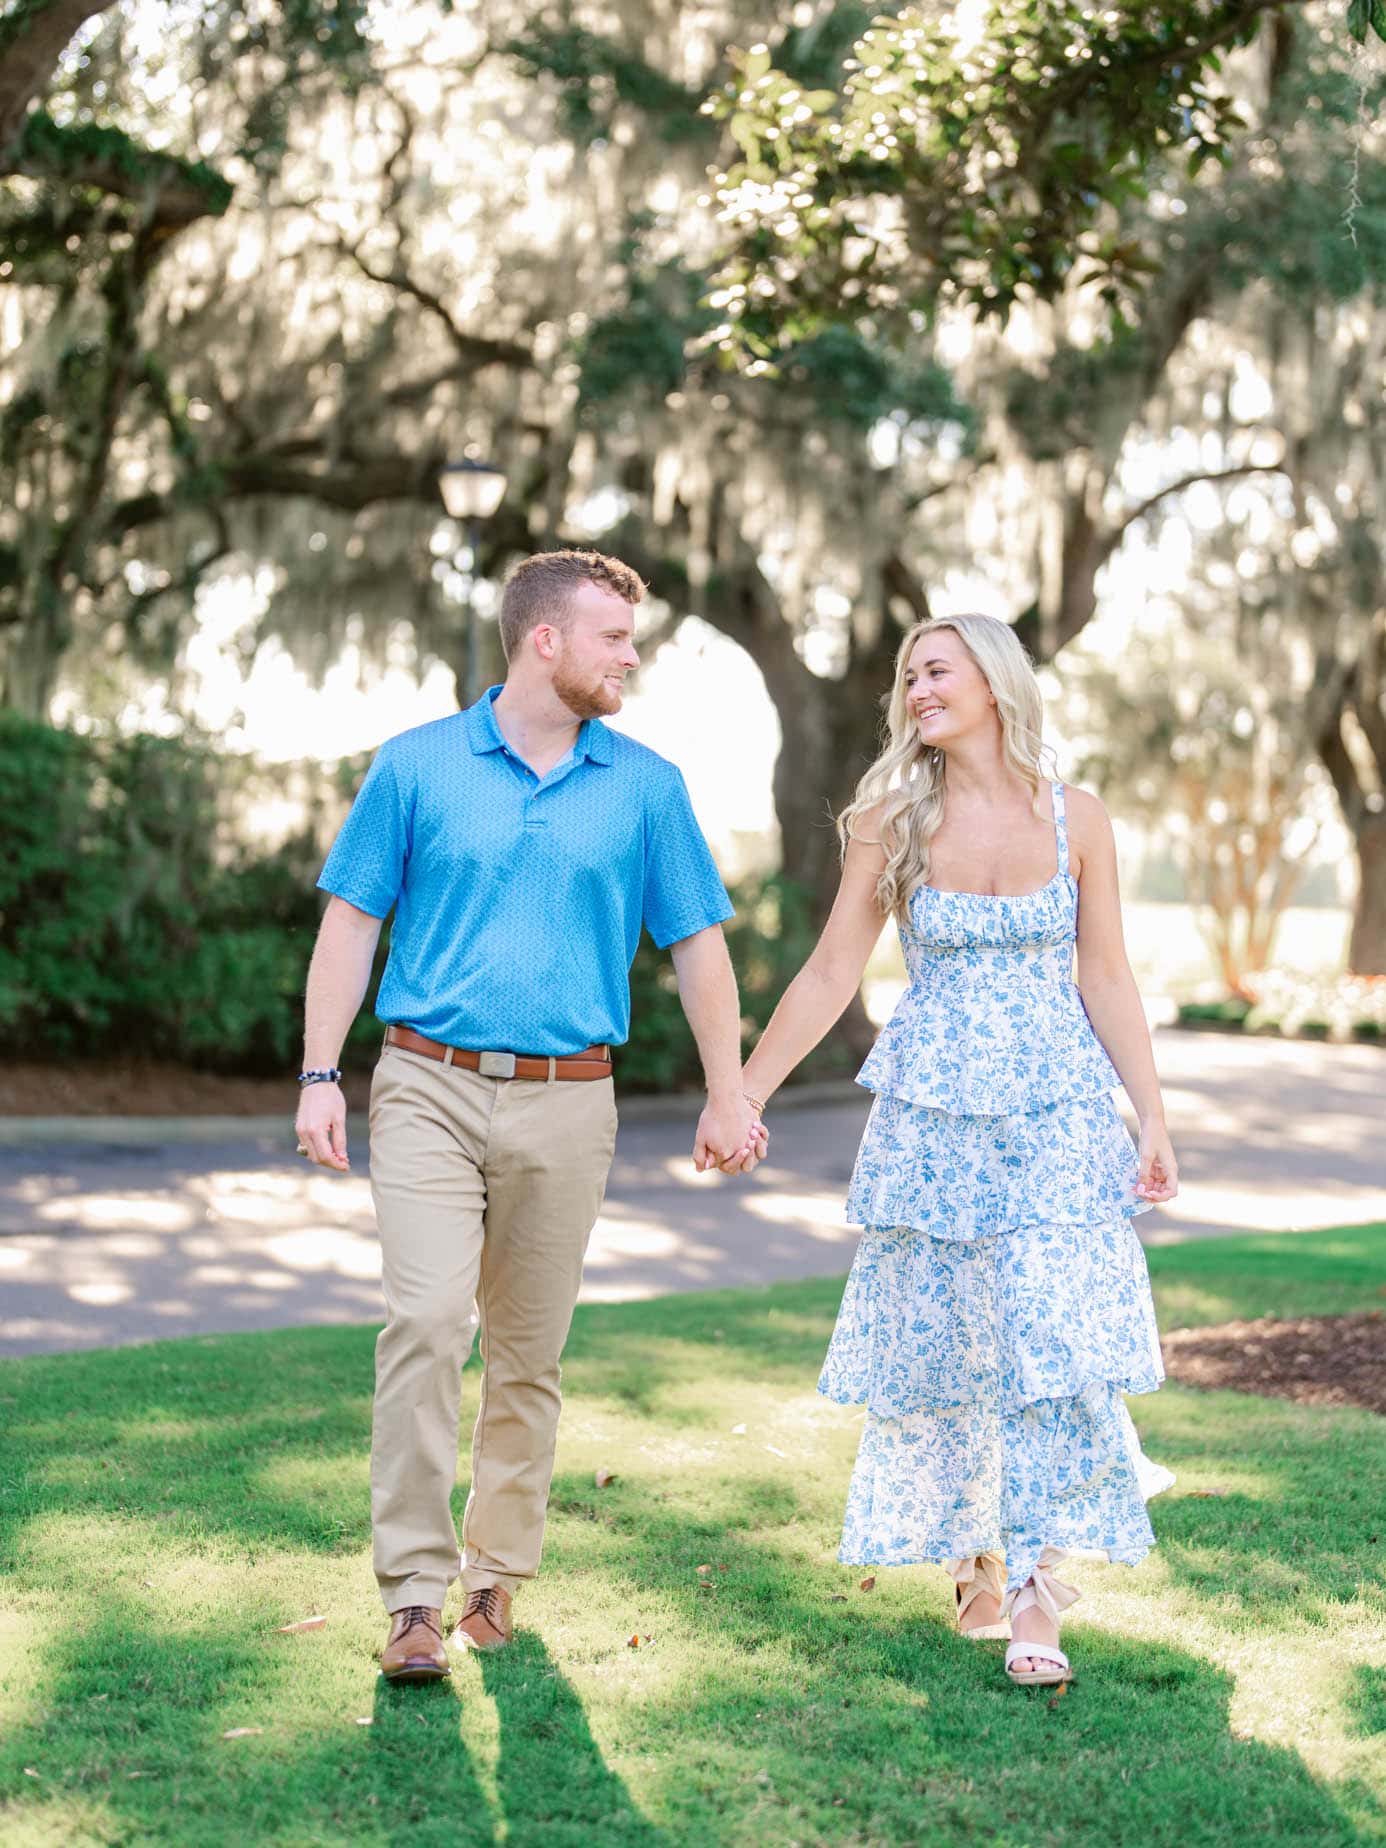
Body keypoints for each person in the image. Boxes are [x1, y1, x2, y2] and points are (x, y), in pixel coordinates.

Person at [295, 548, 765, 1683]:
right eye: (613, 637)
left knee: (527, 1353)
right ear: (543, 640)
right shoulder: (415, 767)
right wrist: (320, 1073)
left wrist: (729, 1085)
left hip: (572, 1098)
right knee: (422, 1324)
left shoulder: (646, 785)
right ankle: (413, 1595)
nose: (631, 657)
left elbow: (699, 944)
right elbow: (352, 925)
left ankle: (494, 1576)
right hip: (425, 1084)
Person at [739, 613, 1178, 1688]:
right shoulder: (891, 818)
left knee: (1050, 1333)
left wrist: (1153, 1117)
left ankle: (1034, 1590)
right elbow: (835, 968)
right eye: (909, 676)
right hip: (935, 1117)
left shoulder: (1079, 817)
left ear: (994, 677)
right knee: (952, 1335)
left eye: (937, 668)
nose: (918, 688)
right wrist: (743, 1093)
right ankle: (973, 1548)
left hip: (1059, 1112)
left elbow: (1106, 975)